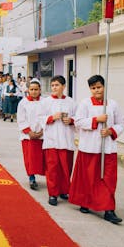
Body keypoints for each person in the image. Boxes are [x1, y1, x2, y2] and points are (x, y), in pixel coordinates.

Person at [70, 75, 124, 224]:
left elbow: (122, 123)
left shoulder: (113, 105)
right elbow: (78, 122)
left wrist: (111, 131)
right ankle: (86, 201)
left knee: (108, 179)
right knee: (88, 178)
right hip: (89, 147)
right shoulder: (85, 104)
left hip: (108, 149)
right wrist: (96, 120)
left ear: (104, 87)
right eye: (93, 88)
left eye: (99, 87)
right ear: (90, 89)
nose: (97, 90)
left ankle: (109, 209)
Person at [40, 75, 76, 206]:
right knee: (53, 168)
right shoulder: (46, 102)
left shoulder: (71, 102)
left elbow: (79, 118)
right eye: (53, 85)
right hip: (52, 140)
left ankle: (64, 190)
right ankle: (53, 193)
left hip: (66, 139)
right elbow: (40, 118)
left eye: (57, 85)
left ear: (64, 86)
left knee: (66, 168)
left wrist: (71, 120)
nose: (54, 88)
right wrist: (51, 117)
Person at [17, 79, 45, 190]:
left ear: (40, 90)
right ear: (28, 90)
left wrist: (42, 132)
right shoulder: (23, 103)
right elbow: (21, 119)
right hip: (28, 136)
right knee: (30, 158)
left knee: (42, 158)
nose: (34, 92)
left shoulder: (44, 102)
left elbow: (46, 117)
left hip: (42, 135)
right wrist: (29, 132)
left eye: (36, 89)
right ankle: (31, 178)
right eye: (32, 89)